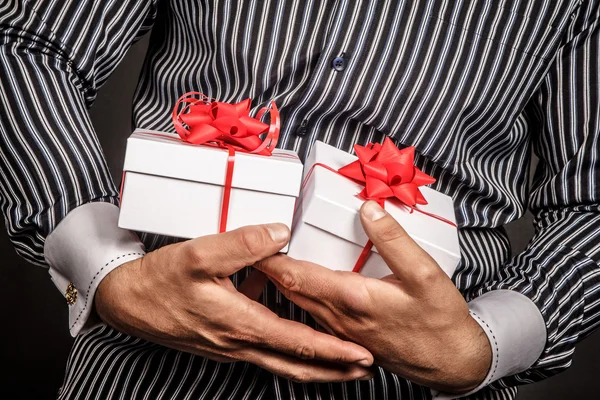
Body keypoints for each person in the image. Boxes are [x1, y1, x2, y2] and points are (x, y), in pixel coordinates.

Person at [1, 1, 599, 399]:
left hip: (411, 384)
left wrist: (483, 346)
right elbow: (29, 43)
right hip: (144, 368)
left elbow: (589, 202)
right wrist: (107, 272)